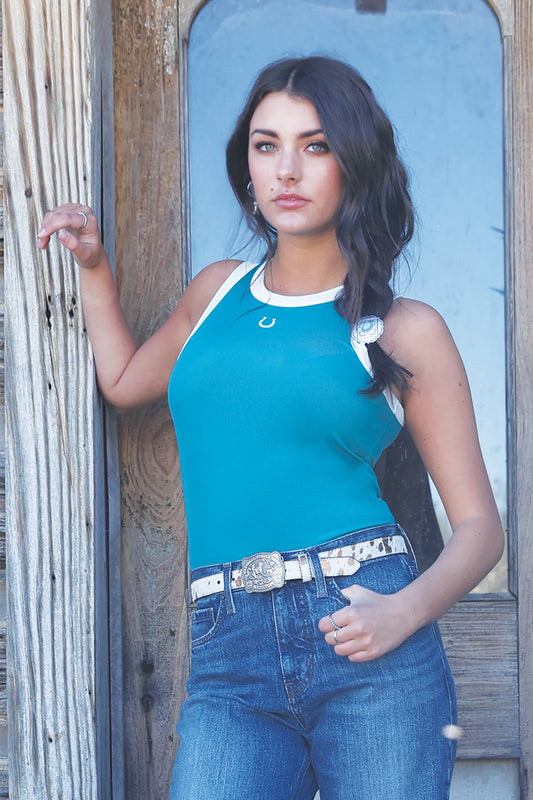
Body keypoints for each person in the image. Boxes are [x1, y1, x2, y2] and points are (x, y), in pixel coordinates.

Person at [37, 56, 504, 800]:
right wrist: (93, 268)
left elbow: (480, 527)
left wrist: (404, 613)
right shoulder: (216, 293)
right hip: (227, 644)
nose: (286, 169)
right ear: (247, 164)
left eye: (315, 146)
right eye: (266, 145)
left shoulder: (403, 329)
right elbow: (122, 382)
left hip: (365, 628)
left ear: (355, 162)